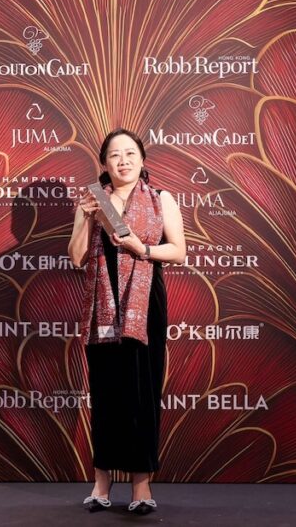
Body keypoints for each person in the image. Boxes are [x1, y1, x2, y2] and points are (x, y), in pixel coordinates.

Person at [67, 128, 186, 514]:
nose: (123, 160)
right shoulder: (93, 199)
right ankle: (101, 484)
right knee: (106, 393)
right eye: (115, 154)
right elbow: (76, 257)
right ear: (104, 163)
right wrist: (85, 220)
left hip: (144, 303)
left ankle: (141, 487)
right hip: (102, 305)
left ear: (142, 159)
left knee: (142, 392)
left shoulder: (161, 198)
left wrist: (142, 247)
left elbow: (178, 251)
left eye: (130, 153)